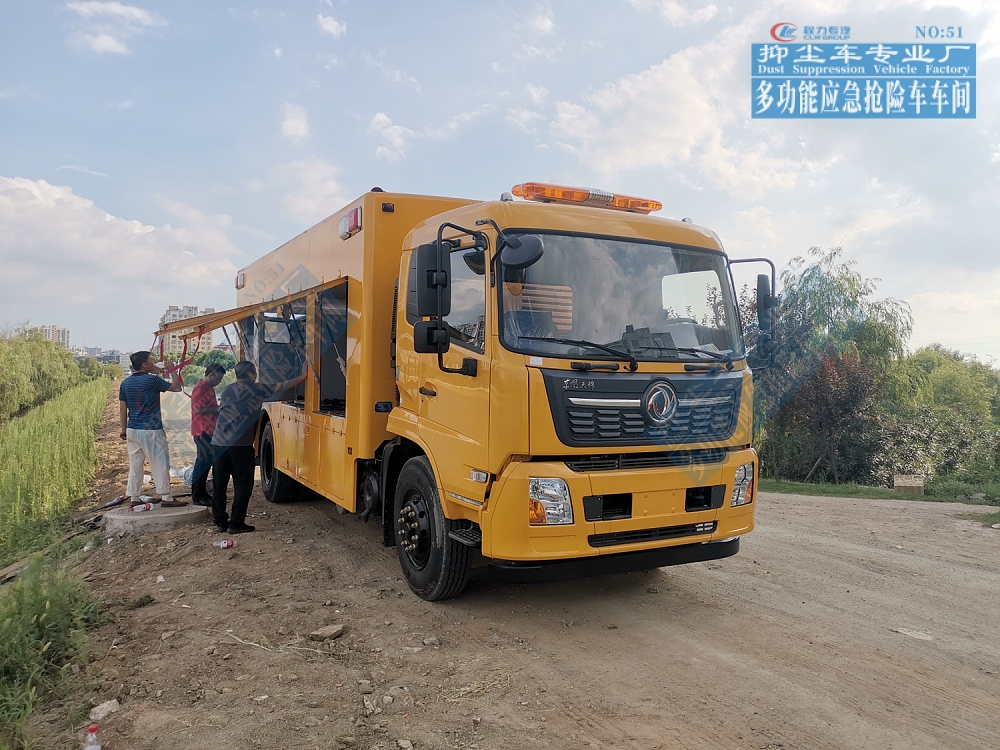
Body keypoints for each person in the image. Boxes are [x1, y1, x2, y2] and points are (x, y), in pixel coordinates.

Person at [210, 361, 306, 533]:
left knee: (220, 485)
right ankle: (236, 523)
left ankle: (220, 522)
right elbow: (281, 386)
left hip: (218, 444)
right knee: (243, 486)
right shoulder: (256, 389)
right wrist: (303, 376)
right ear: (251, 374)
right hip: (240, 447)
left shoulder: (227, 390)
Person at [119, 351, 187, 507]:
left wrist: (123, 429)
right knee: (160, 462)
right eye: (151, 360)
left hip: (132, 429)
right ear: (144, 365)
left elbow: (123, 408)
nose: (154, 362)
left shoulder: (125, 383)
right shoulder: (152, 380)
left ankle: (134, 497)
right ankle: (166, 497)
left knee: (136, 464)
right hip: (151, 429)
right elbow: (176, 388)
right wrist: (172, 370)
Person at [190, 363, 226, 507]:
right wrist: (217, 409)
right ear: (211, 375)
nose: (220, 381)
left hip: (209, 430)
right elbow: (198, 410)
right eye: (218, 377)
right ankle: (197, 496)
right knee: (202, 463)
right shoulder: (200, 389)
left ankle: (202, 493)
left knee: (206, 463)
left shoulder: (209, 388)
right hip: (202, 430)